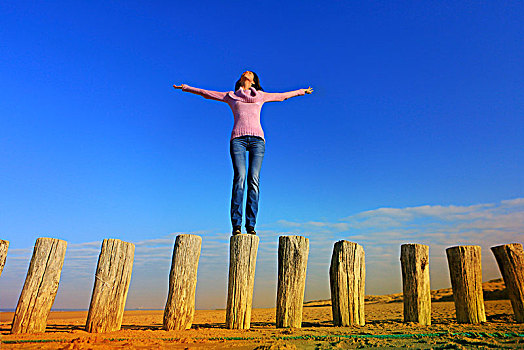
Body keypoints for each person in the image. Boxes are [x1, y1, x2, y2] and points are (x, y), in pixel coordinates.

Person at [173, 71, 313, 235]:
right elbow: (206, 94)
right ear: (241, 79)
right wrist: (186, 87)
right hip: (237, 140)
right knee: (240, 178)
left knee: (253, 180)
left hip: (257, 141)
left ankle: (251, 225)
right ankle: (237, 226)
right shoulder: (231, 96)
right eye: (244, 72)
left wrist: (302, 91)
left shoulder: (261, 96)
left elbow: (282, 96)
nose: (247, 72)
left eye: (250, 73)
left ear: (253, 81)